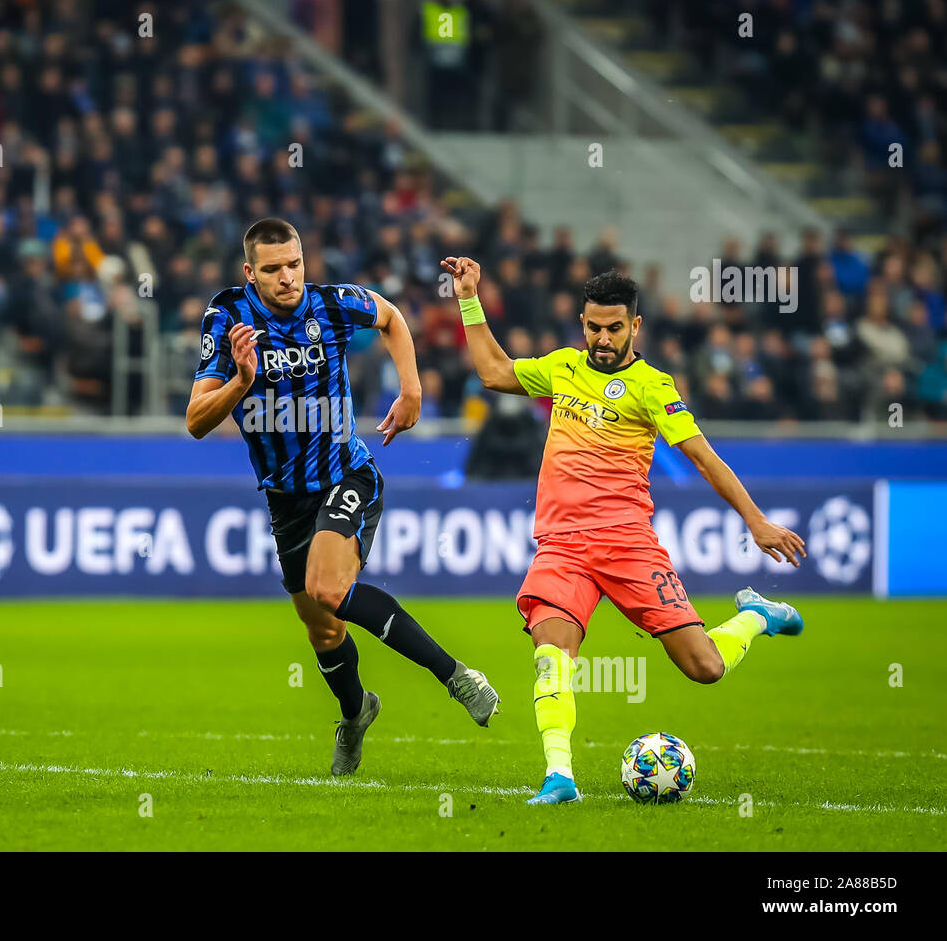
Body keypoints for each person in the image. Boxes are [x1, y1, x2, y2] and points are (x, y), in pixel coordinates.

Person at [442, 259, 808, 805]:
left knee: (704, 667)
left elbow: (704, 459)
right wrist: (470, 299)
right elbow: (494, 373)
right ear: (582, 324)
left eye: (615, 328)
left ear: (635, 327)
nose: (603, 338)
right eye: (594, 327)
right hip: (563, 547)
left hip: (628, 545)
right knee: (550, 652)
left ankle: (758, 614)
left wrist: (755, 520)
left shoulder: (653, 387)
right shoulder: (562, 368)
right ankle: (559, 778)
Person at [186, 219, 501, 776]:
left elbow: (391, 317)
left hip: (346, 475)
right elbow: (195, 421)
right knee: (323, 628)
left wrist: (411, 389)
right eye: (272, 269)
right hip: (285, 500)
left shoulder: (331, 306)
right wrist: (239, 382)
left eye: (295, 264)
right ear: (248, 273)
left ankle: (456, 676)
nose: (287, 278)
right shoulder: (228, 316)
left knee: (328, 589)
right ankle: (356, 714)